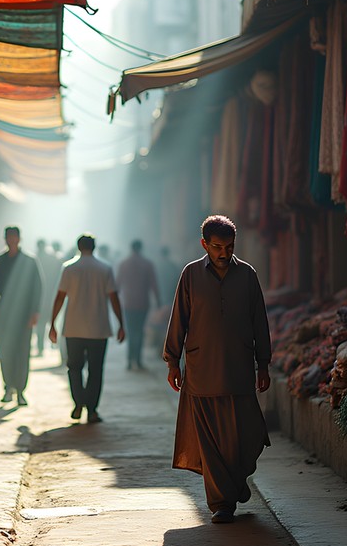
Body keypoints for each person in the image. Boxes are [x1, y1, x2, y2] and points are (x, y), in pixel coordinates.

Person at [163, 215, 272, 525]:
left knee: (248, 436)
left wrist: (263, 363)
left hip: (239, 370)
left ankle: (236, 481)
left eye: (229, 247)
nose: (224, 253)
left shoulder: (248, 275)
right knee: (211, 443)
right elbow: (179, 320)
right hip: (201, 371)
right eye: (217, 247)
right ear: (204, 245)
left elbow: (259, 322)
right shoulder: (190, 275)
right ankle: (221, 503)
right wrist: (173, 361)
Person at [48, 233, 125, 424]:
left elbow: (60, 297)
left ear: (78, 247)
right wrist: (121, 324)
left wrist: (52, 324)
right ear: (94, 247)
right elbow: (113, 297)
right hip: (98, 329)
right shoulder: (105, 269)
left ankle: (78, 402)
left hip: (73, 328)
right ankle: (92, 410)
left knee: (74, 367)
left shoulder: (69, 268)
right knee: (95, 370)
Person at [0, 226, 43, 406]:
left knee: (22, 353)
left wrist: (35, 312)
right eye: (8, 237)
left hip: (24, 316)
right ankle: (8, 387)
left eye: (14, 237)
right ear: (5, 239)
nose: (11, 240)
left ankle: (21, 390)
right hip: (3, 317)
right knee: (5, 353)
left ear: (19, 239)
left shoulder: (29, 261)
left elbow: (37, 287)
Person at [116, 239, 161, 370]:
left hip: (128, 302)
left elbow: (118, 284)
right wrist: (158, 301)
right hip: (143, 303)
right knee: (140, 331)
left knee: (130, 331)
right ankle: (138, 360)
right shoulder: (147, 264)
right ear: (141, 248)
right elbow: (154, 284)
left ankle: (130, 360)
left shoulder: (124, 264)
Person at [34, 238, 62, 357]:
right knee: (52, 319)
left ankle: (41, 345)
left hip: (41, 296)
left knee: (41, 322)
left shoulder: (34, 258)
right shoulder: (53, 259)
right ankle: (52, 342)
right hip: (51, 294)